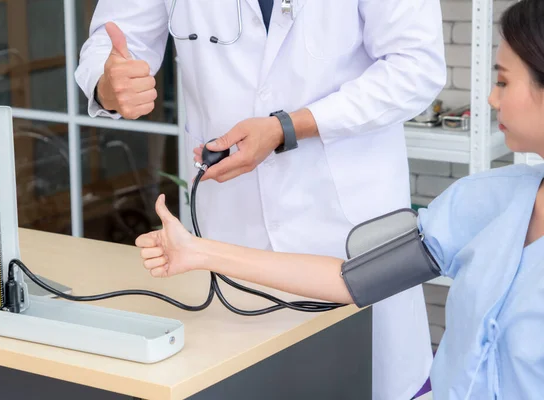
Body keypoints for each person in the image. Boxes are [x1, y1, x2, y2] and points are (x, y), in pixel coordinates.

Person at [136, 0, 544, 398]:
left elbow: (416, 68)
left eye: (504, 81)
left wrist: (284, 129)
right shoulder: (483, 202)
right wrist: (198, 252)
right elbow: (351, 280)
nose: (491, 99)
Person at [75, 1, 447, 399]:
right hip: (233, 229)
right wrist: (108, 84)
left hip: (347, 226)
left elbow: (416, 67)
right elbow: (114, 42)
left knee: (365, 377)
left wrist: (287, 127)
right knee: (245, 379)